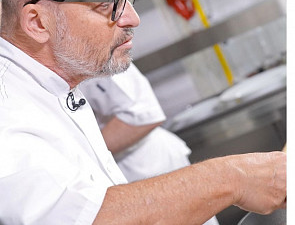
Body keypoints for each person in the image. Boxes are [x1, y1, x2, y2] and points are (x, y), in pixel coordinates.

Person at [0, 0, 286, 224]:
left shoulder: (57, 75)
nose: (133, 18)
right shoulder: (8, 120)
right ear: (37, 22)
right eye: (106, 4)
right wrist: (233, 178)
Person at [80, 64, 219, 225]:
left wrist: (82, 158)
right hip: (121, 180)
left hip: (149, 168)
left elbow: (141, 116)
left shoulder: (88, 56)